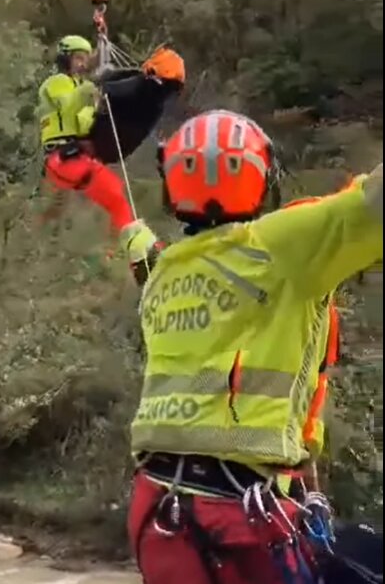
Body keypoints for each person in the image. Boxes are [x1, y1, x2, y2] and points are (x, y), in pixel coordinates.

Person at [127, 109, 383, 584]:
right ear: (261, 178)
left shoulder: (165, 272)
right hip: (242, 516)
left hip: (158, 511)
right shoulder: (279, 246)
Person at [37, 35, 184, 278]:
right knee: (116, 197)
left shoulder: (78, 86)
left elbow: (88, 112)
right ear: (65, 60)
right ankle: (124, 254)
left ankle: (37, 248)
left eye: (85, 58)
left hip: (72, 159)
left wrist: (112, 79)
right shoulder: (57, 83)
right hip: (65, 157)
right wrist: (97, 84)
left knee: (56, 211)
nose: (83, 64)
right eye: (78, 59)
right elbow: (69, 103)